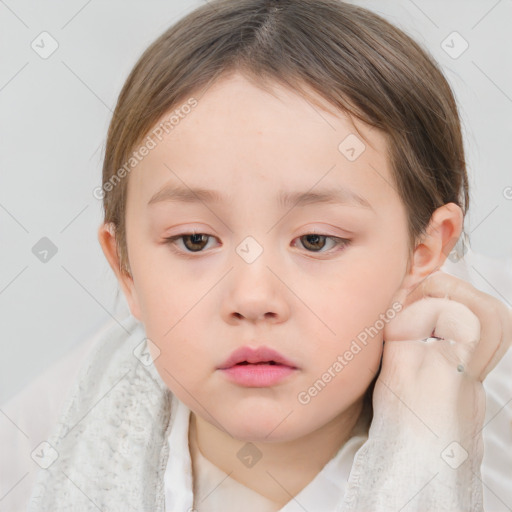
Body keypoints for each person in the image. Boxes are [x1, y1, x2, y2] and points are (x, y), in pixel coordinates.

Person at [27, 0, 512, 510]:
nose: (252, 298)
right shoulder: (41, 448)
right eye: (194, 240)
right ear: (124, 267)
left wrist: (428, 450)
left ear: (424, 251)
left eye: (315, 241)